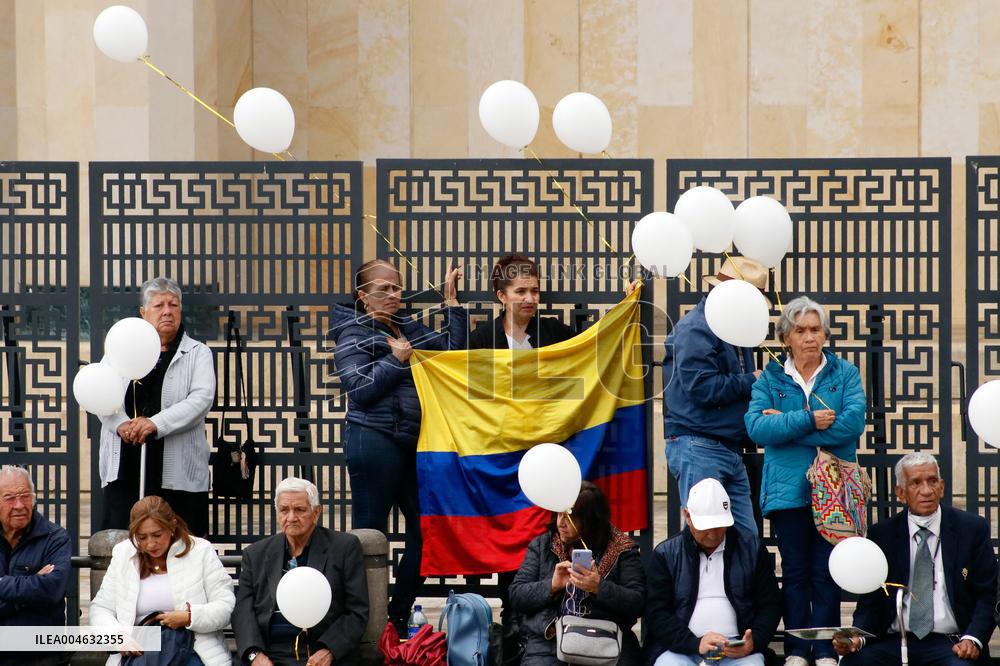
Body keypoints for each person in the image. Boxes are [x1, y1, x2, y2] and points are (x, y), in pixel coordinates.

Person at [329, 259, 465, 632]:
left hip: (410, 442)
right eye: (384, 289)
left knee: (426, 532)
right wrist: (395, 359)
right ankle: (364, 625)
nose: (393, 294)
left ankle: (397, 616)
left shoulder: (404, 324)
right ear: (363, 295)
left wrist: (451, 304)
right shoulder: (352, 331)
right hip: (373, 440)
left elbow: (452, 352)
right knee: (370, 537)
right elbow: (359, 388)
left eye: (397, 287)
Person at [744, 295, 866, 666]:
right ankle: (797, 649)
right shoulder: (771, 377)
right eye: (800, 330)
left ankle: (826, 649)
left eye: (815, 329)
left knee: (828, 572)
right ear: (786, 338)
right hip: (788, 491)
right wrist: (810, 420)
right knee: (796, 573)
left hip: (835, 490)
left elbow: (851, 425)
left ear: (825, 334)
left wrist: (787, 426)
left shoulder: (844, 373)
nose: (810, 337)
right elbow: (756, 427)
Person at [835, 453, 996, 665]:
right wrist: (858, 637)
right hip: (895, 639)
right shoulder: (882, 535)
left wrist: (972, 639)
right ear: (901, 493)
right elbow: (871, 601)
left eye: (932, 481)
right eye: (916, 483)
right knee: (853, 663)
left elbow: (988, 594)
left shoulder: (971, 529)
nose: (927, 491)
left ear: (942, 487)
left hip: (952, 641)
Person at [98, 277, 216, 536]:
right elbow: (101, 393)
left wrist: (155, 423)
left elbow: (200, 400)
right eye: (159, 305)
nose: (167, 311)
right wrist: (121, 424)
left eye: (173, 305)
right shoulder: (120, 349)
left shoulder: (198, 353)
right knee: (122, 543)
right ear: (143, 312)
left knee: (180, 544)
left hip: (178, 473)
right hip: (126, 465)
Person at [662, 256, 768, 536]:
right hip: (700, 444)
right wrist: (751, 381)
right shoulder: (697, 327)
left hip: (723, 445)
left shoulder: (727, 328)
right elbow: (702, 388)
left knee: (744, 536)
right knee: (705, 534)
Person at [643, 478, 781, 666]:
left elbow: (770, 605)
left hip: (737, 648)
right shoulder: (666, 554)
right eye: (707, 528)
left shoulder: (752, 549)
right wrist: (694, 643)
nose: (714, 534)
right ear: (688, 517)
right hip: (680, 648)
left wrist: (754, 641)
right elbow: (657, 614)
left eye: (720, 526)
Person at [233, 477, 369, 666]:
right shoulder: (256, 554)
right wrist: (254, 655)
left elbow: (357, 612)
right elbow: (243, 612)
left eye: (299, 510)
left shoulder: (344, 548)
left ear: (316, 512)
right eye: (284, 510)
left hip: (320, 652)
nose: (291, 518)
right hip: (270, 653)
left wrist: (329, 651)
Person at [509, 481, 646, 666]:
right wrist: (552, 585)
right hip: (550, 641)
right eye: (559, 514)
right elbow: (517, 596)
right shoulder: (543, 545)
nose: (561, 523)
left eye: (570, 517)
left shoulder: (622, 549)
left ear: (591, 520)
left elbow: (637, 603)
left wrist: (599, 587)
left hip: (607, 639)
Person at [89, 495, 235, 666]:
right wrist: (117, 637)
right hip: (140, 651)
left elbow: (225, 606)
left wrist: (189, 617)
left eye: (157, 535)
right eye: (142, 537)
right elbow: (101, 608)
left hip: (193, 648)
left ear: (172, 525)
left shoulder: (200, 550)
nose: (151, 544)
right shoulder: (124, 553)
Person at [0, 465, 72, 666]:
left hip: (40, 653)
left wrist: (3, 584)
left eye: (25, 496)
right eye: (9, 498)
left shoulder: (54, 537)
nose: (19, 505)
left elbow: (52, 590)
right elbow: (39, 590)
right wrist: (29, 588)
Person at [468, 254, 576, 350]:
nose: (530, 299)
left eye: (535, 291)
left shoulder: (555, 331)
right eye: (520, 291)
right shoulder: (481, 340)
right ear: (502, 296)